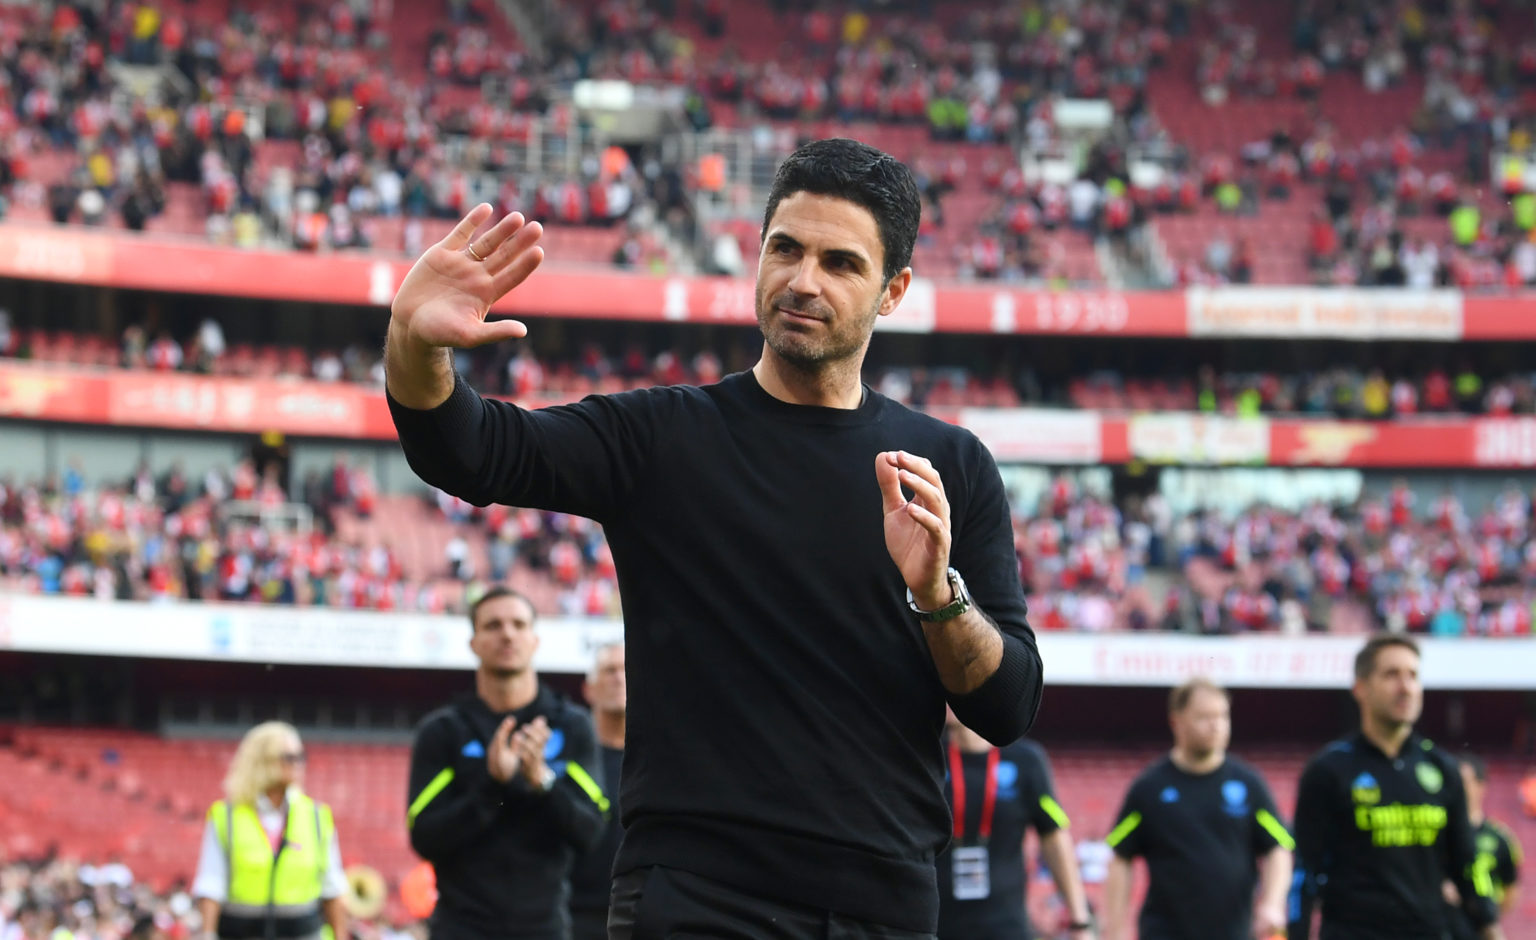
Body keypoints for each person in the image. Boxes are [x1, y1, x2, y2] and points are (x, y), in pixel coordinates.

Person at [385, 137, 1043, 938]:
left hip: (884, 902)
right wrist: (416, 347)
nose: (803, 281)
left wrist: (938, 595)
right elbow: (471, 449)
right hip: (697, 898)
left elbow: (1007, 705)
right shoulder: (664, 438)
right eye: (785, 249)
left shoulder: (949, 467)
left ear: (892, 291)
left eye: (840, 263)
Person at [405, 586, 608, 940]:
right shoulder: (443, 730)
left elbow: (590, 832)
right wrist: (491, 785)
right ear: (474, 642)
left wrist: (541, 781)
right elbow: (424, 837)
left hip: (545, 928)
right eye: (493, 625)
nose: (507, 634)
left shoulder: (571, 725)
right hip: (460, 929)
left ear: (535, 639)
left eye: (518, 624)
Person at [1289, 635, 1504, 940]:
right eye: (1392, 675)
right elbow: (1304, 871)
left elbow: (1468, 865)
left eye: (1413, 675)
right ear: (1360, 688)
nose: (1406, 687)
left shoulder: (1443, 769)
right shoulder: (1327, 770)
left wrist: (1491, 926)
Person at [1102, 678, 1293, 940]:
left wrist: (1272, 902)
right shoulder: (1149, 788)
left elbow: (1278, 847)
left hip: (1233, 933)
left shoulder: (1248, 785)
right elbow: (1120, 855)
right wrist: (1116, 928)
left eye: (1222, 716)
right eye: (1204, 717)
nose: (1216, 725)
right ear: (1176, 721)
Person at [936, 712, 1093, 940]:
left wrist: (1080, 921)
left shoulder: (1027, 760)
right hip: (937, 926)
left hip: (1006, 926)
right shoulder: (927, 757)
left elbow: (1055, 835)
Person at [192, 722, 347, 940]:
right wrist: (206, 935)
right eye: (289, 758)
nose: (298, 764)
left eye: (301, 757)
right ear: (262, 762)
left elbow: (333, 887)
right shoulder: (225, 815)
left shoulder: (316, 815)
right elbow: (211, 884)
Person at [568, 643, 627, 940]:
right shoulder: (565, 759)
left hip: (640, 917)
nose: (618, 678)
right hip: (575, 917)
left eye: (626, 670)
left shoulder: (663, 764)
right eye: (609, 670)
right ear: (589, 689)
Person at [1445, 755, 1523, 940]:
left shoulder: (1500, 838)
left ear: (1481, 786)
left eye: (1464, 781)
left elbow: (1511, 890)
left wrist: (1485, 915)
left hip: (1479, 928)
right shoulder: (1437, 833)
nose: (1457, 788)